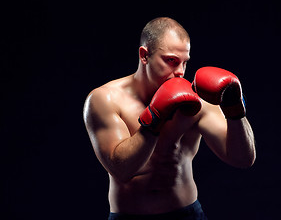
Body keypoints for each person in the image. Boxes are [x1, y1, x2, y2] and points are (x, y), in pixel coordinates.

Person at [83, 17, 256, 220]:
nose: (180, 73)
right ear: (144, 56)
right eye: (171, 61)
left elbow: (243, 159)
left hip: (187, 214)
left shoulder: (196, 99)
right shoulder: (106, 99)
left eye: (184, 63)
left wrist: (235, 111)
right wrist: (156, 117)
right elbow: (122, 170)